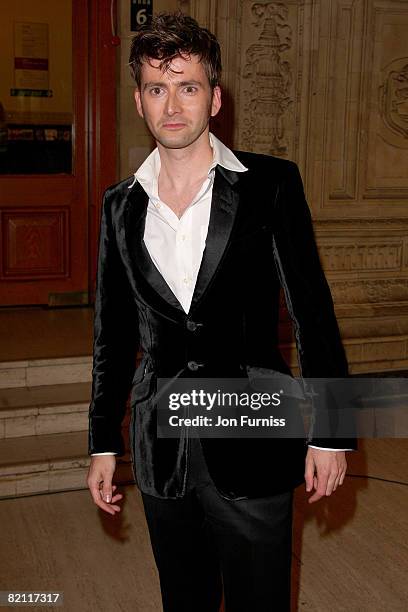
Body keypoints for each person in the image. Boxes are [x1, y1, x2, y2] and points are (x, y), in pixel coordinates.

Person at [87, 12, 357, 612]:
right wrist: (103, 444)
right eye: (158, 88)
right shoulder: (118, 207)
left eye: (188, 86)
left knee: (261, 598)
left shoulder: (270, 185)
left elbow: (314, 315)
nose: (173, 104)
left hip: (254, 430)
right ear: (138, 101)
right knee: (184, 598)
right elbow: (112, 337)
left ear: (214, 98)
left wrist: (332, 432)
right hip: (161, 442)